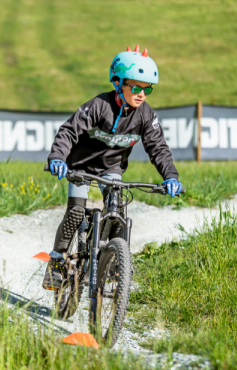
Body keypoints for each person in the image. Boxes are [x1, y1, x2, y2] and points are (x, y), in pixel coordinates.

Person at [42, 46, 183, 290]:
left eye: (147, 89)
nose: (142, 94)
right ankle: (56, 263)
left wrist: (170, 176)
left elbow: (158, 148)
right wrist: (58, 158)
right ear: (118, 83)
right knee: (76, 213)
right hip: (80, 166)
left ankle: (117, 262)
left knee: (118, 215)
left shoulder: (146, 115)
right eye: (136, 87)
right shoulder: (99, 105)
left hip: (112, 168)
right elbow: (68, 131)